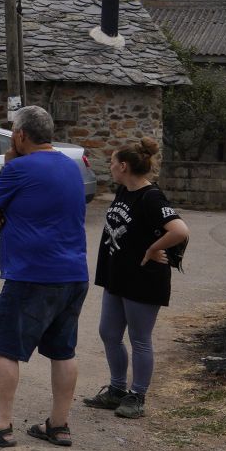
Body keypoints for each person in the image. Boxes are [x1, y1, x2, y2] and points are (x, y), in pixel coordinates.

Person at [0, 105, 89, 449]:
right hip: (73, 273)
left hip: (32, 273)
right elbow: (41, 205)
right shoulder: (71, 166)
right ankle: (58, 425)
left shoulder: (20, 167)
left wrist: (9, 164)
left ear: (20, 135)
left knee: (5, 347)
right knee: (63, 351)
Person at [85, 138, 190, 420]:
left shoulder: (151, 197)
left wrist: (153, 249)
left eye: (112, 162)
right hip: (117, 275)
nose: (109, 166)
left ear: (123, 166)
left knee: (139, 339)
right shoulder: (124, 190)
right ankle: (117, 389)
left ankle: (137, 396)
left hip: (143, 279)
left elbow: (179, 230)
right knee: (109, 333)